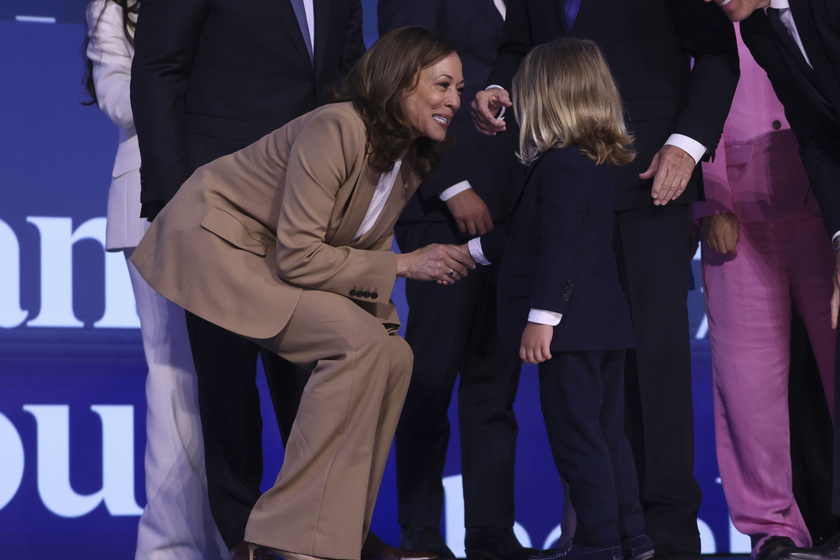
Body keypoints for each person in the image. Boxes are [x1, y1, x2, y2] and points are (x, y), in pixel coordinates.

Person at [131, 26, 476, 560]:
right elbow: (300, 257)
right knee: (357, 344)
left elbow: (363, 253)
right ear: (403, 82)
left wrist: (388, 329)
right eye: (444, 85)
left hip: (278, 258)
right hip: (220, 246)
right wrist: (406, 265)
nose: (456, 100)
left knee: (395, 356)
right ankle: (279, 537)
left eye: (459, 89)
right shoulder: (336, 127)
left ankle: (336, 537)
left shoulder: (409, 158)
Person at [470, 3, 739, 558]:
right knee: (585, 389)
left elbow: (717, 53)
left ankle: (665, 529)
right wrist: (498, 84)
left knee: (654, 365)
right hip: (557, 173)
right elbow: (518, 45)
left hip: (649, 175)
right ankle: (610, 527)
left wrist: (687, 147)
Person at [128, 1, 379, 557]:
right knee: (227, 382)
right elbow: (159, 69)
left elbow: (352, 80)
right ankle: (245, 537)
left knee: (315, 373)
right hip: (218, 203)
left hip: (313, 205)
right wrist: (175, 201)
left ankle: (324, 531)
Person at [469, 37, 652, 560]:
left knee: (579, 439)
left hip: (570, 329)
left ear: (549, 99)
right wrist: (471, 252)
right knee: (606, 433)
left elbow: (559, 251)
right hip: (602, 326)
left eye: (525, 94)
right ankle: (629, 534)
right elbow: (530, 236)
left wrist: (542, 318)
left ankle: (597, 542)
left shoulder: (562, 165)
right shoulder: (582, 163)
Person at [376, 3, 531, 559]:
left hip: (514, 202)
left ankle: (491, 533)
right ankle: (419, 530)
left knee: (495, 384)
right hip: (441, 210)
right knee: (431, 377)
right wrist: (450, 184)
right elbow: (401, 81)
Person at [84, 1, 226, 558]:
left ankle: (226, 535)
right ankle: (168, 547)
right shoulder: (110, 5)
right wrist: (174, 82)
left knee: (225, 382)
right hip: (149, 197)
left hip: (230, 188)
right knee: (173, 379)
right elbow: (117, 95)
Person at [704, 1, 840, 559]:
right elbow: (694, 87)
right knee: (746, 377)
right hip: (734, 203)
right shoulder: (742, 22)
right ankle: (771, 529)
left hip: (819, 201)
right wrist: (706, 199)